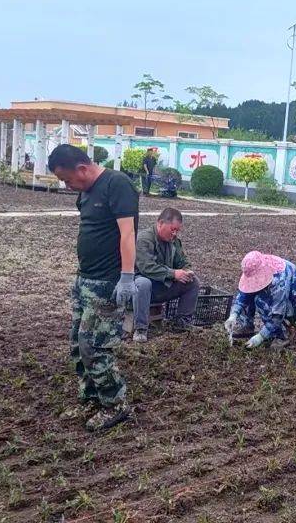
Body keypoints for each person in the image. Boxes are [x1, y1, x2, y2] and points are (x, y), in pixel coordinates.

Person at [48, 143, 139, 431]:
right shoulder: (85, 193)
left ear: (82, 168)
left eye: (67, 179)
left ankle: (115, 403)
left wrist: (126, 276)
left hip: (107, 282)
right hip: (84, 279)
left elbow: (128, 233)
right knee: (77, 343)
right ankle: (90, 397)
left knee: (94, 346)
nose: (67, 186)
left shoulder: (117, 184)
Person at [132, 208, 200, 341]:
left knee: (193, 282)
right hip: (141, 288)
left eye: (177, 230)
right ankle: (140, 329)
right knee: (143, 283)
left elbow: (182, 261)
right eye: (172, 229)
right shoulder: (144, 239)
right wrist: (173, 273)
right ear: (160, 223)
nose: (174, 233)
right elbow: (146, 267)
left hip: (162, 286)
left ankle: (182, 322)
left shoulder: (173, 241)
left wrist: (187, 271)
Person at [224, 251, 296, 350]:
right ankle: (247, 325)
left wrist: (261, 336)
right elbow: (245, 293)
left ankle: (280, 335)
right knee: (251, 291)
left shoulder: (279, 280)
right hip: (286, 300)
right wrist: (233, 314)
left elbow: (277, 314)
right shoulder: (254, 266)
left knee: (261, 301)